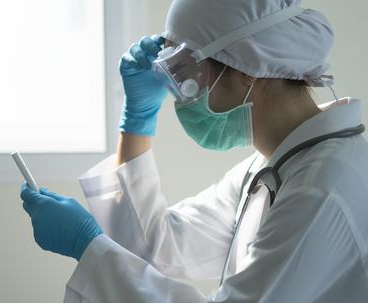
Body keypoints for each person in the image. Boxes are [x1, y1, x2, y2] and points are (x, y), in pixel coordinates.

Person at [20, 0, 368, 301]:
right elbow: (154, 247)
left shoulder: (321, 187)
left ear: (247, 68)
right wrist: (137, 121)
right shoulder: (273, 166)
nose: (180, 93)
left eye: (185, 70)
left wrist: (88, 247)